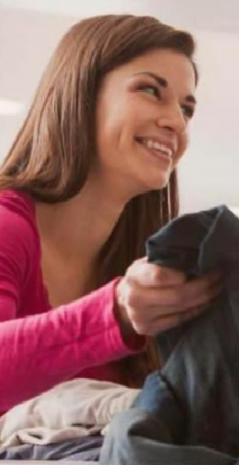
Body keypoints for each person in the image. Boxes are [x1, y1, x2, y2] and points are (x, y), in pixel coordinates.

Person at [0, 15, 221, 413]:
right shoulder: (7, 228)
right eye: (151, 90)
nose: (176, 121)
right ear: (80, 95)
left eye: (186, 109)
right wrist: (113, 314)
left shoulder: (143, 269)